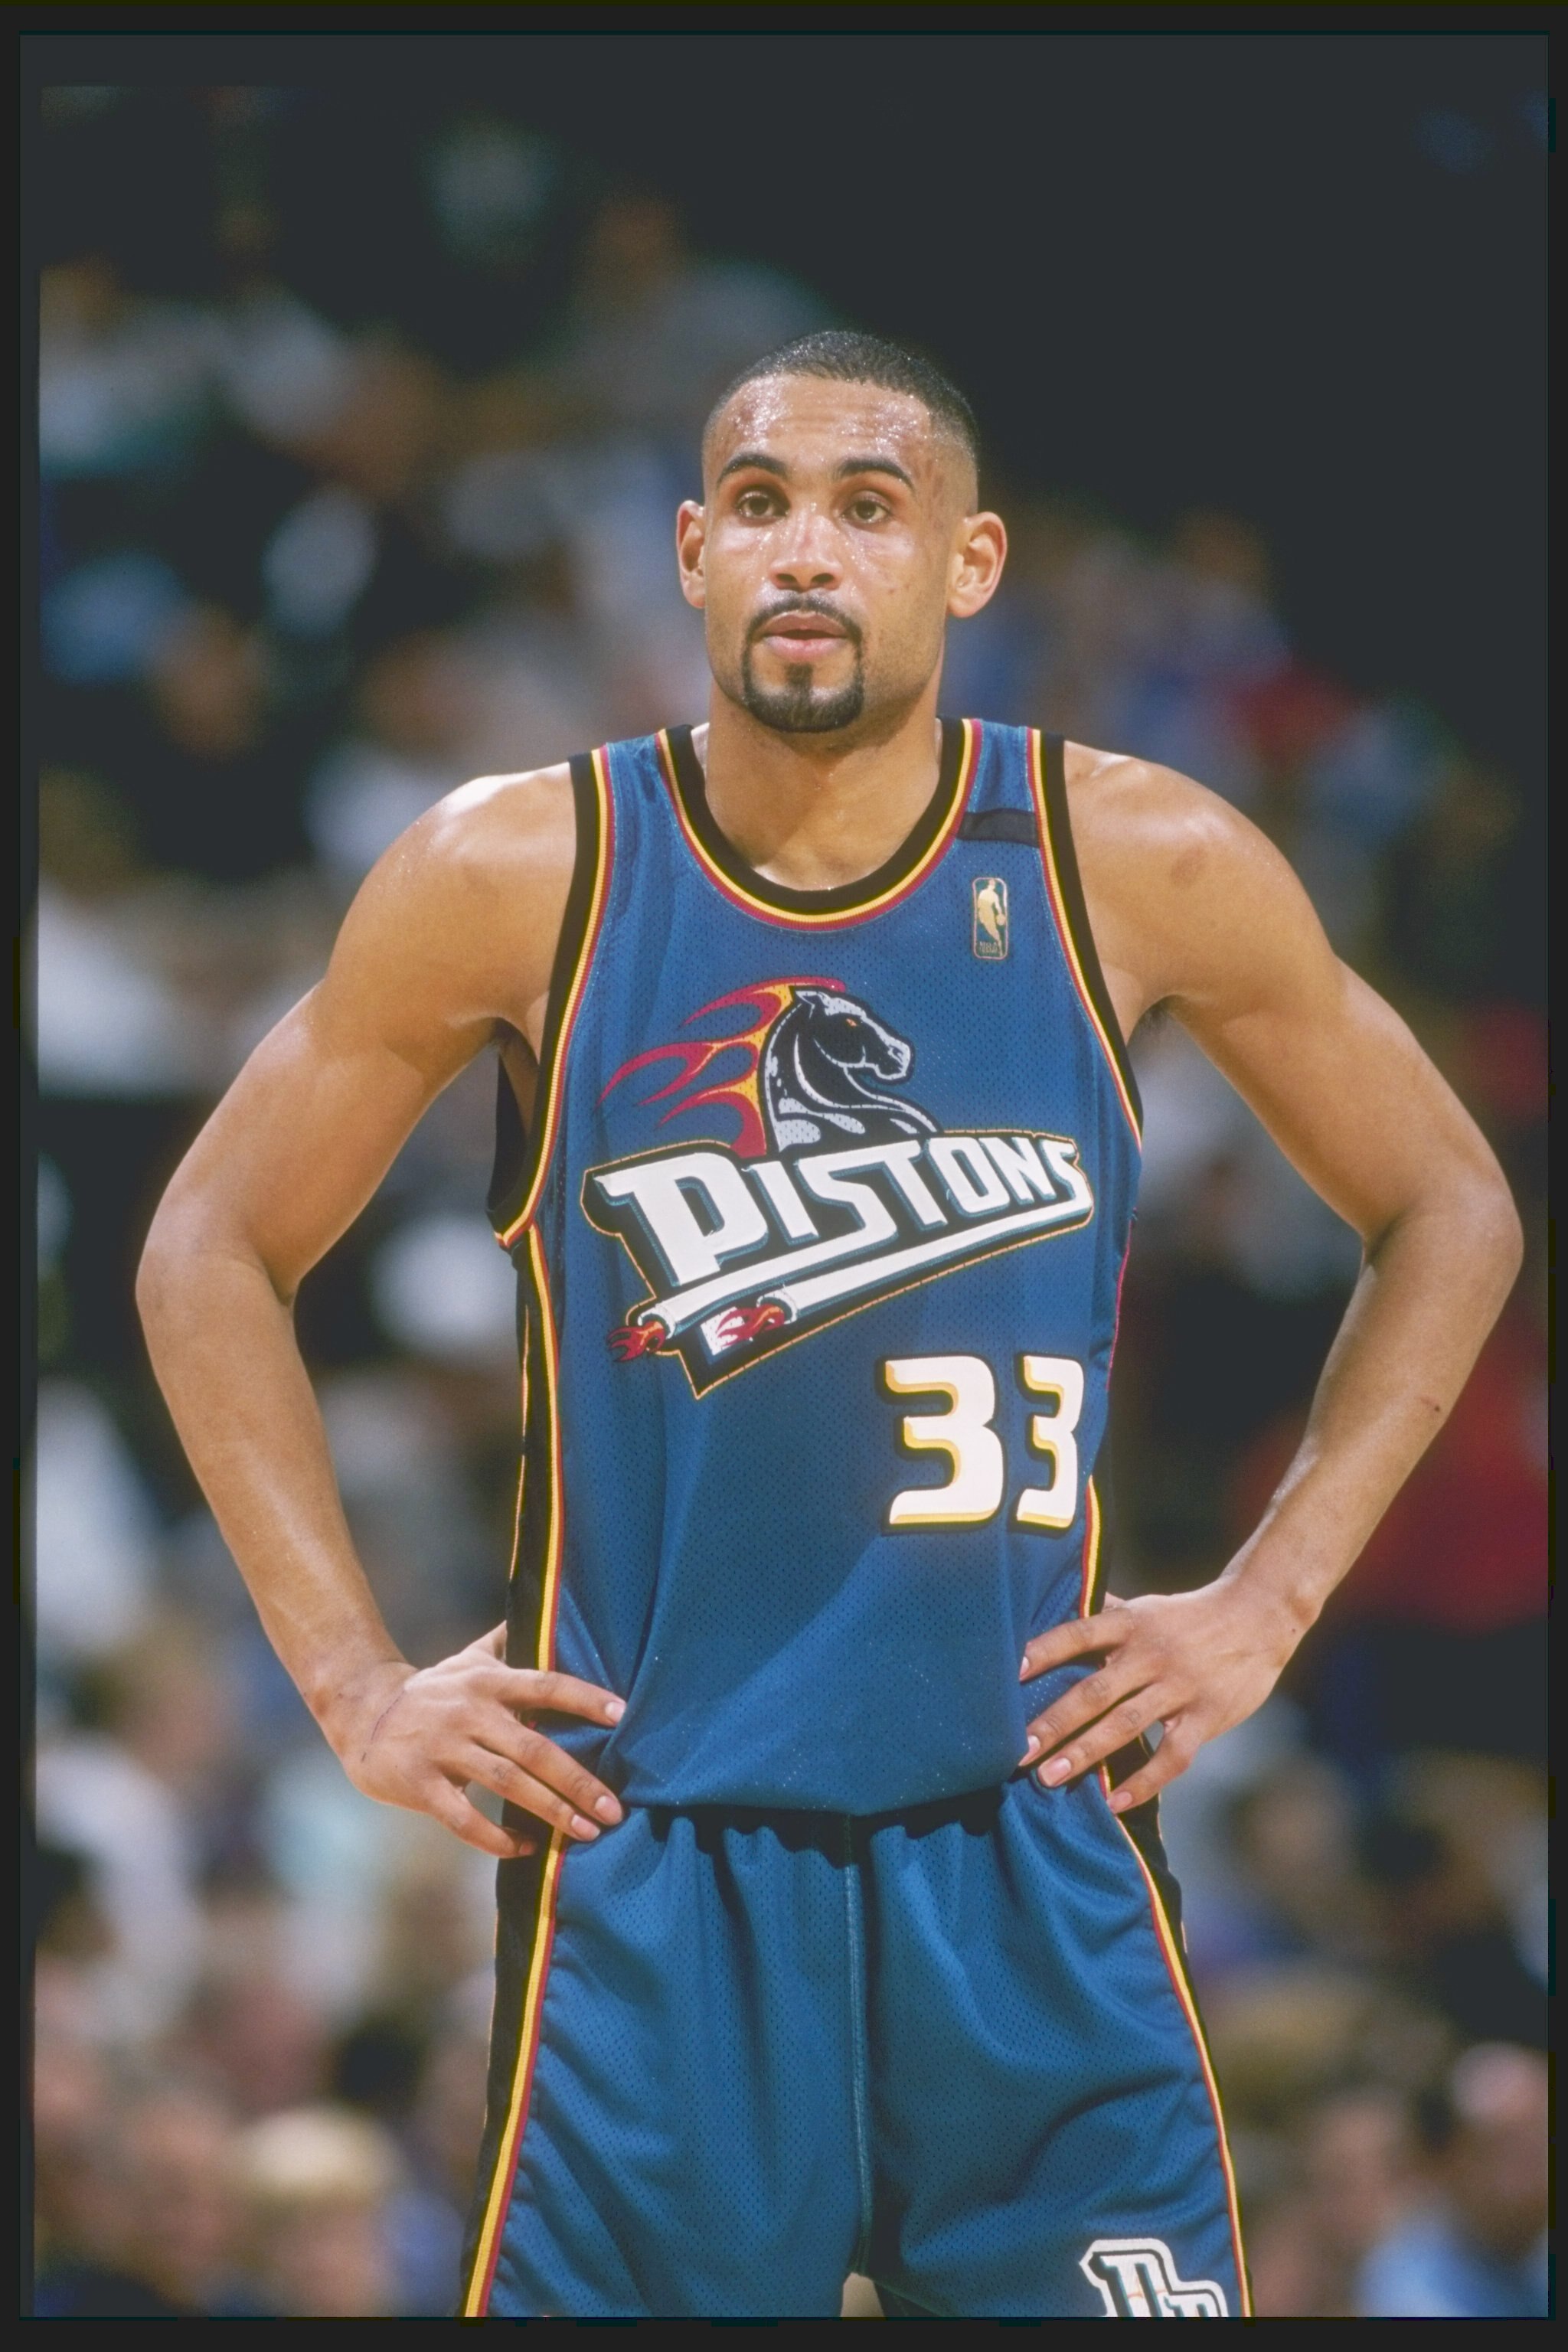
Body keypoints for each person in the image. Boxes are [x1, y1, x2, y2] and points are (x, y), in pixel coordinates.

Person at [137, 331, 1521, 2318]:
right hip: (661, 1869)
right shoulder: (523, 870)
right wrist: (353, 1689)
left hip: (1029, 1851)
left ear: (971, 565)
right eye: (765, 505)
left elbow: (1451, 1202)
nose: (809, 550)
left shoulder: (1135, 856)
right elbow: (207, 1246)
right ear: (691, 551)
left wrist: (1269, 1603)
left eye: (869, 508)